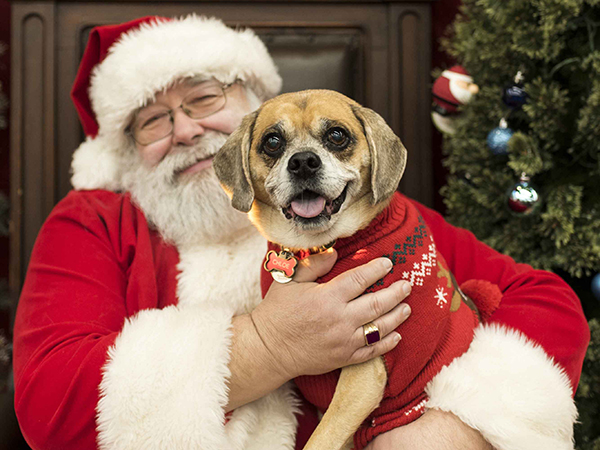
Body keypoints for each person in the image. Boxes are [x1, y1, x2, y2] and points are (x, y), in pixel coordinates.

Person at [12, 14, 588, 450]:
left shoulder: (368, 213)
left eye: (204, 97)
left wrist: (451, 427)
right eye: (152, 120)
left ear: (254, 104)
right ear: (126, 149)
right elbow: (48, 402)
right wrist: (269, 345)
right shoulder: (94, 220)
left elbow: (546, 302)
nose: (185, 129)